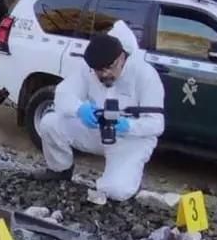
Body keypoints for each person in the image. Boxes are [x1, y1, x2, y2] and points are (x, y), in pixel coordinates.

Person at [31, 21, 165, 201]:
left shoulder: (145, 75)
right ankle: (60, 169)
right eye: (97, 71)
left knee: (115, 191)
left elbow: (157, 125)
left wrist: (127, 125)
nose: (102, 75)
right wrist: (80, 109)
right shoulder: (91, 70)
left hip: (130, 140)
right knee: (49, 122)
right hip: (97, 131)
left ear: (121, 58)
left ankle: (128, 177)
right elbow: (62, 94)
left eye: (107, 69)